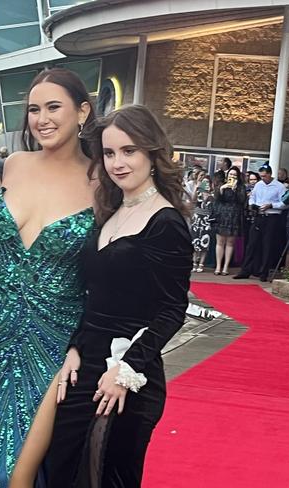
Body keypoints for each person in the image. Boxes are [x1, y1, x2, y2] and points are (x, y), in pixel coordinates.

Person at [45, 105, 192, 488]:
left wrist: (125, 373)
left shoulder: (167, 223)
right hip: (84, 367)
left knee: (106, 479)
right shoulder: (108, 211)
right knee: (61, 470)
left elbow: (173, 309)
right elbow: (94, 296)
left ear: (152, 152)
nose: (117, 163)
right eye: (109, 153)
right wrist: (75, 345)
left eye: (129, 151)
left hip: (128, 379)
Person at [0, 68, 97, 488]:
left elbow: (116, 267)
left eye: (53, 107)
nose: (41, 119)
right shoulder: (13, 165)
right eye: (33, 110)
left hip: (57, 336)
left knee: (25, 467)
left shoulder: (104, 180)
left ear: (82, 111)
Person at [234, 165, 287, 281]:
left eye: (264, 176)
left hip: (271, 216)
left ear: (269, 174)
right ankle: (246, 270)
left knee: (267, 245)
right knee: (252, 244)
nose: (263, 178)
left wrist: (271, 205)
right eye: (261, 176)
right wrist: (252, 204)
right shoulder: (258, 185)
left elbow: (284, 203)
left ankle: (264, 272)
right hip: (259, 216)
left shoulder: (279, 186)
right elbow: (253, 197)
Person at [213, 166, 247, 275]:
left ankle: (225, 267)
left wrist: (235, 189)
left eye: (234, 175)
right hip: (222, 215)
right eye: (230, 174)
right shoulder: (221, 185)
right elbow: (217, 199)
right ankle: (218, 266)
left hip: (234, 215)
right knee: (220, 241)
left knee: (230, 242)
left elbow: (242, 200)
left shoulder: (241, 187)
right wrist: (222, 189)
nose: (232, 176)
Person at [189, 171, 213, 272]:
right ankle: (194, 262)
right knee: (195, 241)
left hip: (206, 219)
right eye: (204, 181)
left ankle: (201, 263)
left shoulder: (212, 194)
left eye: (207, 182)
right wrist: (197, 187)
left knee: (204, 242)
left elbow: (213, 207)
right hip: (197, 217)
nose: (205, 183)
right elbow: (193, 200)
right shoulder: (198, 191)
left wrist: (208, 195)